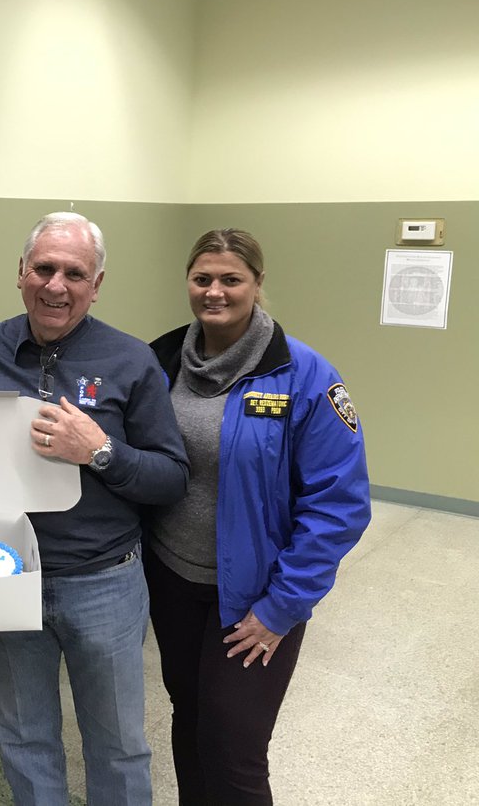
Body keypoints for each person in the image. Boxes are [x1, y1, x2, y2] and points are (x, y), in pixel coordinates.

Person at [0, 212, 189, 806]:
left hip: (104, 582)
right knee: (23, 736)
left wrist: (99, 451)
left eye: (75, 273)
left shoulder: (131, 360)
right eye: (44, 269)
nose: (56, 285)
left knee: (118, 744)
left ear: (97, 285)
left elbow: (171, 477)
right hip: (5, 573)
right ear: (21, 272)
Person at [147, 229, 370, 805]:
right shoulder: (160, 360)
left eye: (231, 279)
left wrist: (281, 607)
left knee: (235, 748)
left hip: (255, 596)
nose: (214, 291)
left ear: (257, 283)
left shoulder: (306, 375)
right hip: (172, 581)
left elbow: (339, 505)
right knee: (189, 715)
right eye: (202, 279)